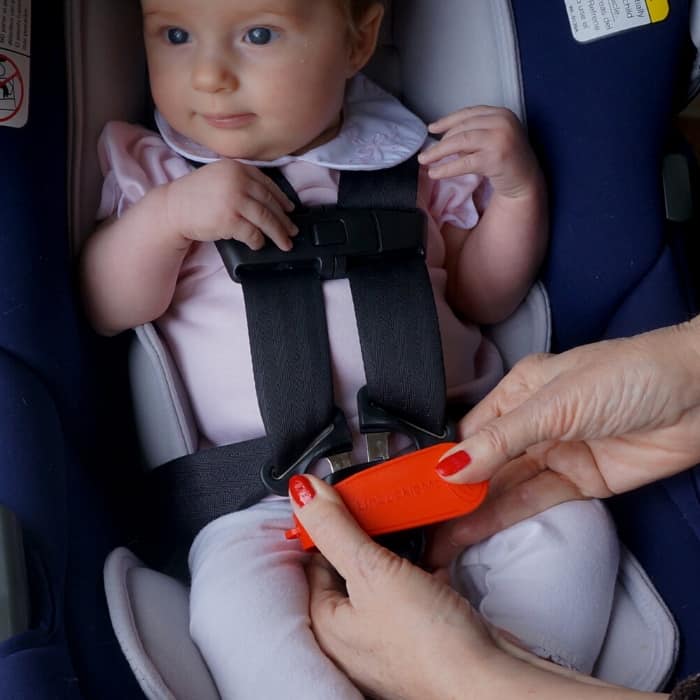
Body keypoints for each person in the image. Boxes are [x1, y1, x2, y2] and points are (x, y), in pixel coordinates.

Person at [78, 0, 617, 696]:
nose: (208, 75)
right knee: (234, 608)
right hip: (268, 495)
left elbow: (481, 297)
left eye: (258, 34)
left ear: (359, 37)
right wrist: (169, 220)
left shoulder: (414, 163)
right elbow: (104, 305)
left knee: (571, 526)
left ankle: (524, 671)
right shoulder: (157, 172)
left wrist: (517, 194)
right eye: (175, 35)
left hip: (448, 458)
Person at [291, 318, 700, 700]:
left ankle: (542, 658)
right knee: (256, 619)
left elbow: (489, 294)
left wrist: (481, 680)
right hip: (263, 512)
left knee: (573, 521)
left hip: (432, 462)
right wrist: (685, 361)